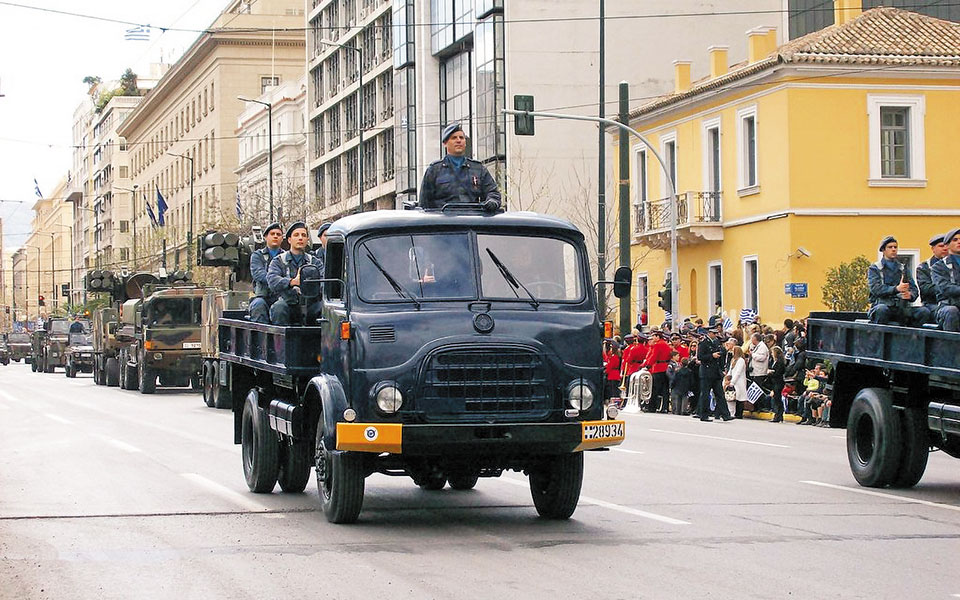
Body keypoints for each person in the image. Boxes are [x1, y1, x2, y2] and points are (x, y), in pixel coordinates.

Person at [418, 123, 501, 212]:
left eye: (461, 138)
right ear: (445, 143)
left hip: (472, 220)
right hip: (443, 222)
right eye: (454, 138)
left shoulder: (478, 169)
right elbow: (424, 205)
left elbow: (492, 192)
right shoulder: (434, 170)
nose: (458, 141)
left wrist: (492, 202)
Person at [267, 222, 324, 326]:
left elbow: (324, 281)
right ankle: (281, 342)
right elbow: (272, 280)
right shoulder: (279, 261)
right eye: (296, 235)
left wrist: (311, 286)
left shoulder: (314, 262)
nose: (300, 238)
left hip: (311, 305)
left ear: (307, 240)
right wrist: (292, 282)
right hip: (287, 303)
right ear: (289, 240)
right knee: (278, 309)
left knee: (325, 310)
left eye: (304, 235)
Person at [867, 235, 929, 326]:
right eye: (890, 247)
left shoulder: (903, 268)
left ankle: (913, 337)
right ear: (883, 250)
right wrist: (896, 289)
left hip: (901, 308)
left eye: (895, 247)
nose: (893, 249)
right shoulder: (875, 268)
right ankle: (879, 337)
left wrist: (910, 295)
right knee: (881, 310)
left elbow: (914, 289)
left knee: (924, 312)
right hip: (883, 306)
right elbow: (876, 289)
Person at [248, 222, 284, 324]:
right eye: (272, 234)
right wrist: (279, 281)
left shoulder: (286, 256)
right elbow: (259, 275)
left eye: (278, 234)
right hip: (263, 296)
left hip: (281, 296)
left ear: (282, 238)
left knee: (282, 308)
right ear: (265, 237)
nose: (275, 237)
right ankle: (260, 339)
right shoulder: (257, 256)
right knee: (258, 306)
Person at [696, 325, 733, 422]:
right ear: (709, 333)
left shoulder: (716, 342)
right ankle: (704, 415)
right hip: (706, 372)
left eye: (716, 333)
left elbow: (720, 355)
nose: (716, 335)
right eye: (714, 333)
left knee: (720, 394)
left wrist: (722, 367)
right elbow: (700, 357)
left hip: (716, 372)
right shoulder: (703, 343)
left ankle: (726, 415)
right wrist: (711, 356)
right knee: (705, 394)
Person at [932, 227, 960, 332]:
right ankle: (950, 347)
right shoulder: (939, 267)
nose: (959, 242)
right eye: (955, 240)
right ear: (947, 245)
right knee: (951, 311)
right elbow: (944, 288)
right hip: (948, 306)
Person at [917, 232, 947, 321]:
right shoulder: (925, 267)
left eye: (946, 246)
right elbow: (926, 289)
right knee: (947, 312)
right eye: (941, 246)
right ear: (933, 249)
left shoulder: (954, 265)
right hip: (932, 304)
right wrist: (947, 287)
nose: (945, 248)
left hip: (952, 302)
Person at [641, 330, 672, 413]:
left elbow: (654, 356)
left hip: (658, 368)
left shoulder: (657, 345)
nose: (653, 338)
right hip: (665, 367)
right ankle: (664, 407)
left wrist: (648, 365)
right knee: (665, 390)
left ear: (658, 336)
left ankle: (652, 407)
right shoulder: (665, 344)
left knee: (654, 389)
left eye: (654, 336)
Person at [727, 346, 747, 418]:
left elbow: (738, 372)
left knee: (740, 398)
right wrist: (728, 377)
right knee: (732, 397)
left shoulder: (741, 360)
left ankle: (739, 414)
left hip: (739, 381)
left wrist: (733, 381)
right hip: (733, 380)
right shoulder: (733, 360)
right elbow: (731, 370)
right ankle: (732, 413)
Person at [768, 346, 787, 422]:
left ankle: (778, 415)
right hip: (774, 382)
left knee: (777, 399)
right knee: (776, 399)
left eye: (772, 353)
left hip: (778, 382)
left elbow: (778, 373)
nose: (772, 354)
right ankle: (779, 415)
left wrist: (771, 372)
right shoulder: (774, 361)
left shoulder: (780, 362)